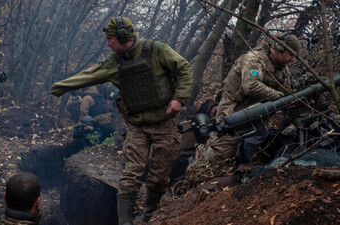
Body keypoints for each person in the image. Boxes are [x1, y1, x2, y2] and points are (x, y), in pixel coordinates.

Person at [51, 16, 192, 225]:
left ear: (124, 37)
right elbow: (89, 74)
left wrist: (179, 98)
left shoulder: (157, 50)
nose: (108, 44)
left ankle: (148, 217)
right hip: (136, 126)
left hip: (165, 123)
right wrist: (59, 87)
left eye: (111, 39)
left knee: (159, 177)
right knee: (131, 175)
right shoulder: (113, 63)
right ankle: (125, 222)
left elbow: (184, 69)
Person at [195, 34, 301, 168]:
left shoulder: (282, 69)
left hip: (259, 113)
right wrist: (278, 96)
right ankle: (201, 155)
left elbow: (287, 90)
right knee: (221, 152)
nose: (292, 59)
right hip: (235, 108)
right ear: (279, 48)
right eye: (290, 54)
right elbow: (251, 86)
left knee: (258, 149)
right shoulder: (254, 60)